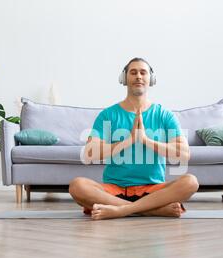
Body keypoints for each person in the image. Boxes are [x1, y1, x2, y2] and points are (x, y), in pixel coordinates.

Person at [69, 57, 199, 220]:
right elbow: (90, 153)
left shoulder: (164, 115)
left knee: (191, 182)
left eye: (143, 72)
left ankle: (121, 210)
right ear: (124, 78)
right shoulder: (108, 115)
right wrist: (128, 141)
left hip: (153, 190)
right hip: (114, 190)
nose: (138, 76)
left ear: (151, 79)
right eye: (133, 72)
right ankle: (150, 210)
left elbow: (184, 154)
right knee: (77, 186)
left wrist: (145, 140)